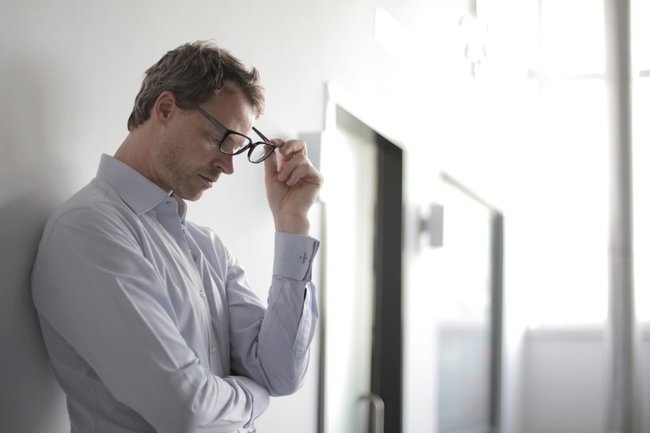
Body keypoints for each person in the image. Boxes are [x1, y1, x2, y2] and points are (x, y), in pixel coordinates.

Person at [31, 40, 322, 433]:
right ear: (166, 108)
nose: (228, 167)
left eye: (236, 149)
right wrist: (256, 397)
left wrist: (293, 222)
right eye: (218, 139)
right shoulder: (87, 229)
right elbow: (186, 410)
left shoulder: (208, 247)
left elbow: (281, 373)